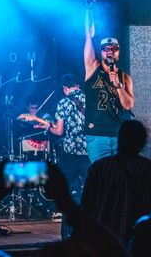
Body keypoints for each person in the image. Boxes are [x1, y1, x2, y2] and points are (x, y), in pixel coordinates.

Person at [81, 120, 151, 243]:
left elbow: (86, 203)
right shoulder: (147, 168)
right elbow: (149, 202)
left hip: (101, 235)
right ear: (142, 142)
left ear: (119, 139)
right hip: (132, 235)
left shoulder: (98, 167)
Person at [35, 73, 91, 238]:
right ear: (78, 86)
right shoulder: (90, 100)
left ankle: (68, 234)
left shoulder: (64, 103)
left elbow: (59, 131)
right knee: (91, 192)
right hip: (89, 152)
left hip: (70, 154)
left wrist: (47, 127)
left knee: (67, 194)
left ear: (65, 88)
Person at [83, 7, 134, 163]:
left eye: (113, 49)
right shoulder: (92, 67)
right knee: (101, 173)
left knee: (118, 174)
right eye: (106, 49)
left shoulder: (125, 77)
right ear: (101, 52)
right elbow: (88, 37)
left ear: (118, 52)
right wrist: (89, 11)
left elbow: (128, 105)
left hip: (118, 134)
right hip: (97, 134)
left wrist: (118, 85)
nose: (110, 51)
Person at [16, 96, 54, 160]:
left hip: (44, 148)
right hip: (27, 150)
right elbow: (17, 122)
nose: (35, 110)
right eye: (32, 108)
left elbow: (53, 126)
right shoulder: (23, 117)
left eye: (37, 107)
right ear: (27, 107)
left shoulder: (46, 116)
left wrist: (38, 120)